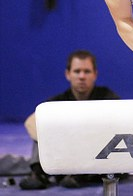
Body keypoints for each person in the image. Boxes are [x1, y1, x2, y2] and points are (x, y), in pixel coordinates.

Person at [19, 50, 120, 190]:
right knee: (42, 126)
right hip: (65, 154)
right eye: (77, 71)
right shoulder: (57, 102)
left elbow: (118, 126)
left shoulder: (108, 98)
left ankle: (80, 175)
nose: (82, 76)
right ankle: (38, 174)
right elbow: (30, 122)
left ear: (95, 74)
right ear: (68, 74)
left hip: (96, 157)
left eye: (87, 71)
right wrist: (60, 139)